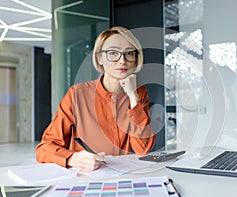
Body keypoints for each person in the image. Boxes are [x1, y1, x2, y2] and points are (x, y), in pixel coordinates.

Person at [35, 26, 156, 172]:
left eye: (129, 53)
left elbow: (143, 149)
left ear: (136, 59)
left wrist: (132, 97)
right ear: (99, 58)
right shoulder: (77, 94)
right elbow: (44, 148)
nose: (122, 60)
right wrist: (74, 159)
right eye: (113, 53)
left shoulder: (138, 93)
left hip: (123, 176)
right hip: (86, 177)